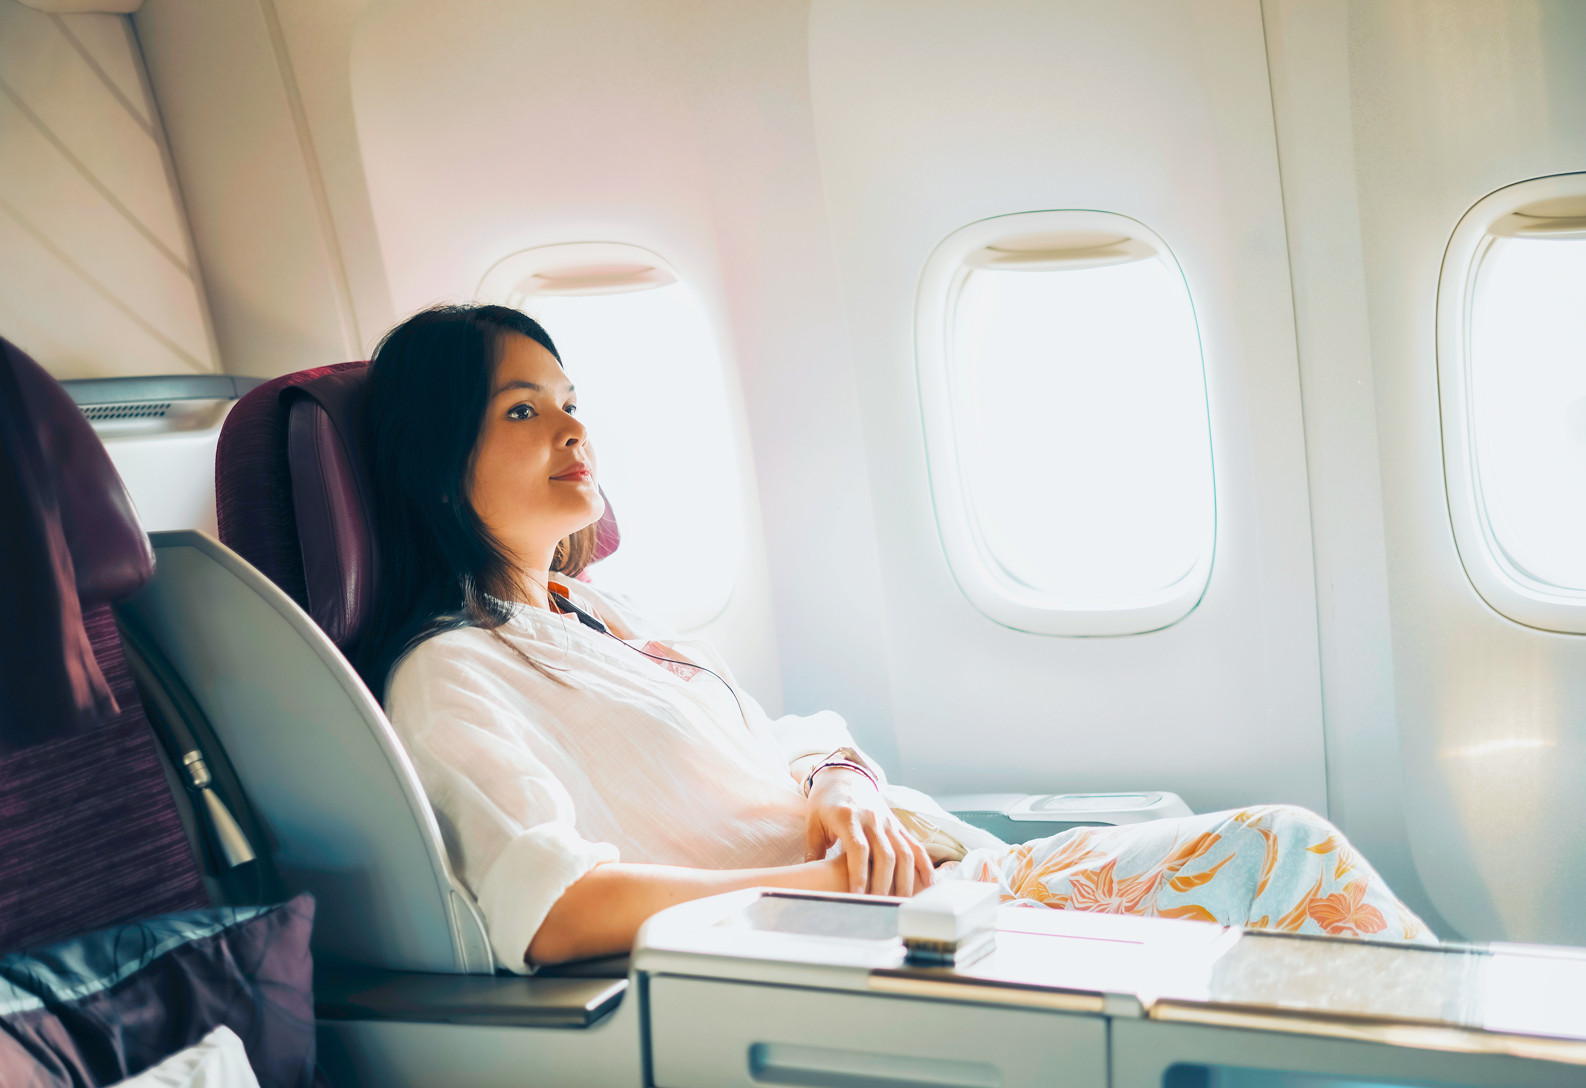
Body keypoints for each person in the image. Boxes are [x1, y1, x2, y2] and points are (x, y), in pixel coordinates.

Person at [360, 304, 1433, 974]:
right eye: (519, 411)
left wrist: (840, 782)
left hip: (911, 884)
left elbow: (772, 742)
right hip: (860, 938)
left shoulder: (602, 612)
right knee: (1278, 853)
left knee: (1273, 915)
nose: (573, 429)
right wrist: (824, 889)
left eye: (570, 401)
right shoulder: (451, 673)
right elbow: (553, 909)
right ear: (432, 460)